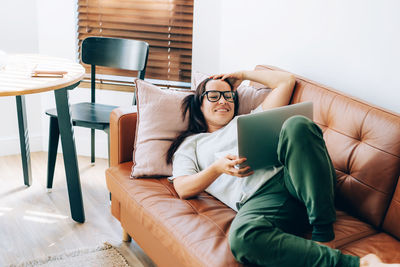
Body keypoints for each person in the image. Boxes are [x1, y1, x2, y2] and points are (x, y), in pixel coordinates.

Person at [166, 70, 398, 267]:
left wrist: (242, 74)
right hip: (261, 201)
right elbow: (183, 187)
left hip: (299, 177)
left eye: (228, 96)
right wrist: (216, 168)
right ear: (199, 102)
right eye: (214, 96)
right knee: (242, 238)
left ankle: (323, 233)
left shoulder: (249, 120)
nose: (223, 101)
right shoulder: (192, 144)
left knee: (296, 124)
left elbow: (286, 82)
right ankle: (359, 264)